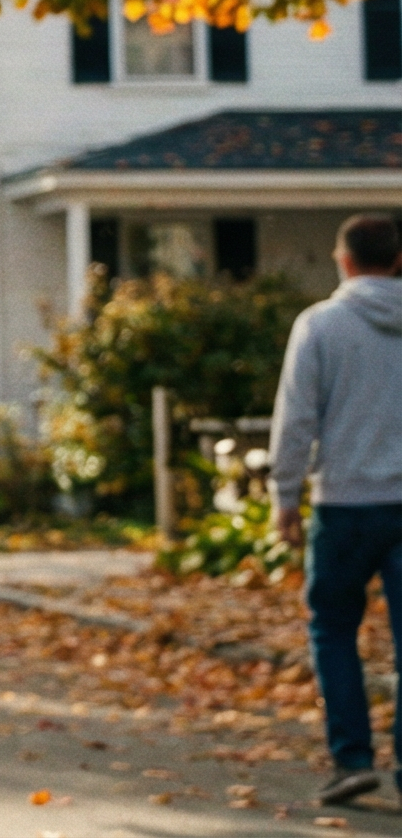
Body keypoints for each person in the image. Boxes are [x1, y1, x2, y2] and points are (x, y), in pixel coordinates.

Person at [270, 212, 402, 809]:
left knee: (332, 629)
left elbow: (297, 419)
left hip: (346, 504)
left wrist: (285, 498)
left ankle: (352, 757)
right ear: (396, 260)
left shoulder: (320, 324)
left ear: (344, 261)